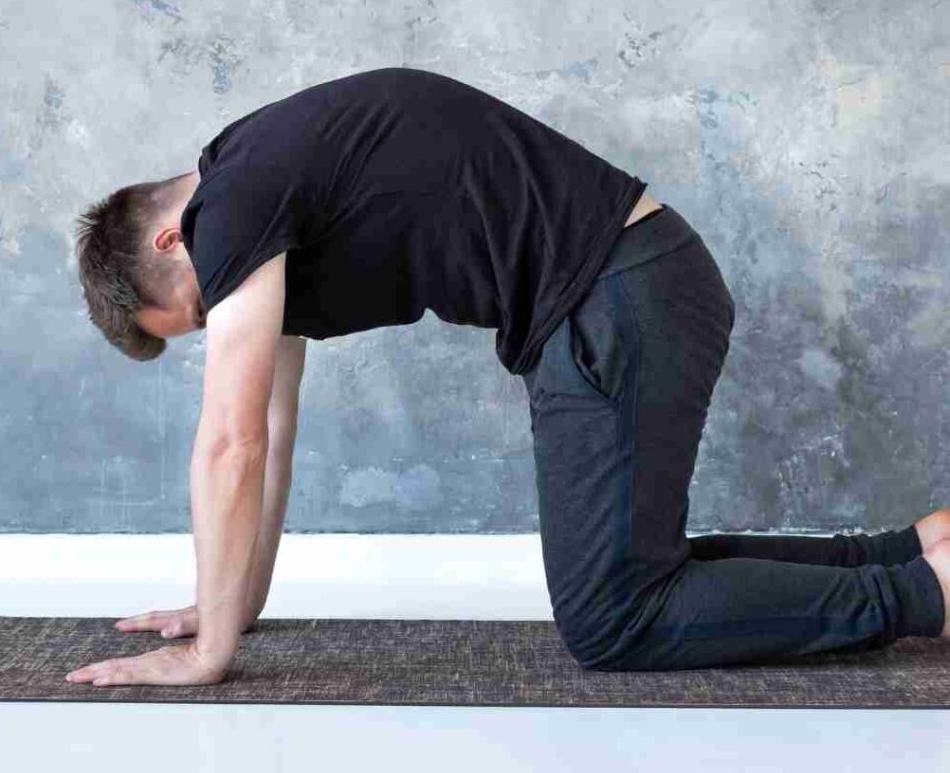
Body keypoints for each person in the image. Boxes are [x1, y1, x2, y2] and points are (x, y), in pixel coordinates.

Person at [68, 66, 949, 686]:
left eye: (197, 312)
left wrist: (206, 657)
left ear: (170, 240)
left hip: (615, 298)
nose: (218, 324)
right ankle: (912, 554)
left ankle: (926, 596)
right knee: (638, 573)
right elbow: (270, 426)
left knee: (614, 616)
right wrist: (232, 609)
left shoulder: (232, 208)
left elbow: (231, 441)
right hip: (623, 288)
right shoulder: (255, 180)